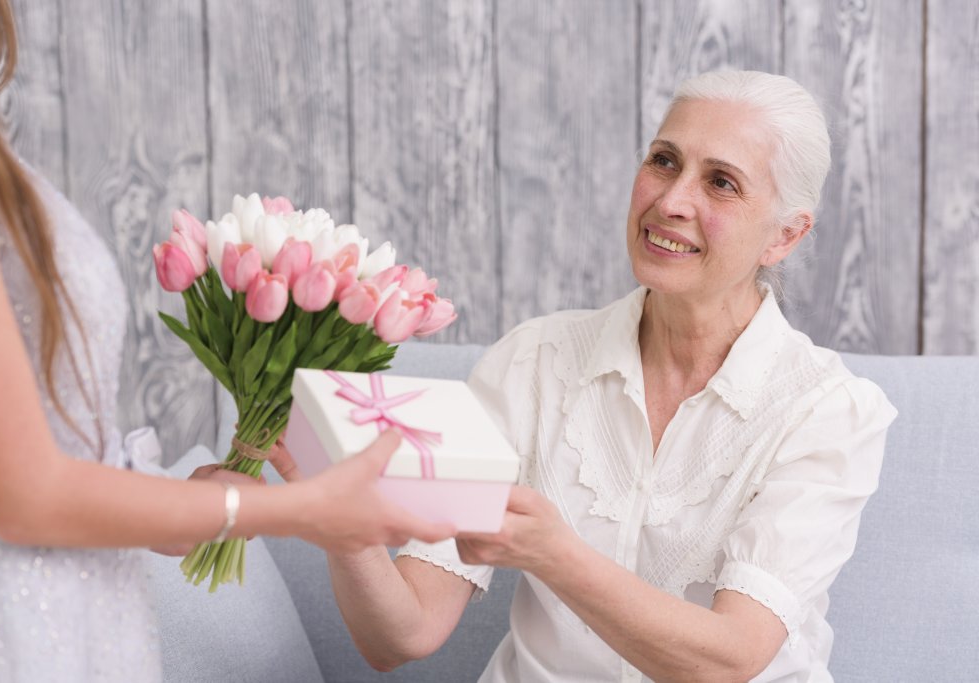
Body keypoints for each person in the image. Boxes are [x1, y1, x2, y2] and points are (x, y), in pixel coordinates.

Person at [322, 70, 897, 682]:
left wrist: (556, 554)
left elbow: (728, 661)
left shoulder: (828, 410)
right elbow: (403, 634)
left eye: (721, 182)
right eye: (663, 160)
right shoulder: (531, 362)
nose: (671, 201)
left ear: (785, 236)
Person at [0, 1, 453, 680]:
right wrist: (296, 509)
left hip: (66, 613)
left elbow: (14, 468)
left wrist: (190, 508)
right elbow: (24, 495)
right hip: (12, 626)